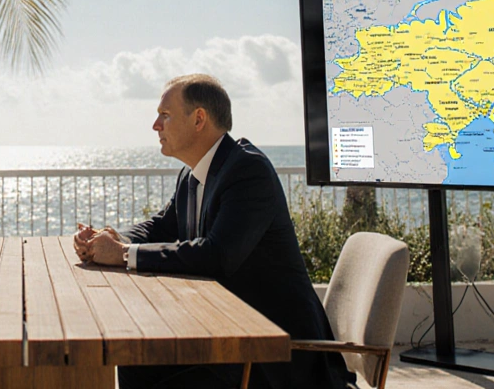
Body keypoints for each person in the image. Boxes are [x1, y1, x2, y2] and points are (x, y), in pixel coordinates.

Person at [74, 74, 355, 389]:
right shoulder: (193, 175)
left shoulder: (248, 171)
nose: (155, 125)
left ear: (198, 120)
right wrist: (114, 237)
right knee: (136, 364)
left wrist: (123, 255)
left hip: (276, 355)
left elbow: (217, 255)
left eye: (165, 115)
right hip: (233, 340)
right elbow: (160, 225)